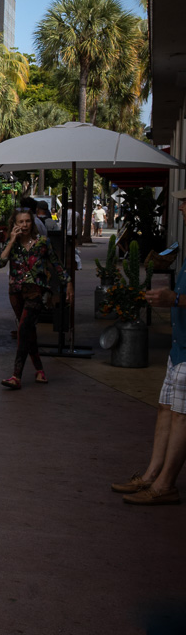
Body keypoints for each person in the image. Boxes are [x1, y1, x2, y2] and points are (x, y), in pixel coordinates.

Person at [111, 189, 186, 505]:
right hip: (179, 348)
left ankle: (165, 484)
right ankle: (151, 474)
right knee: (166, 409)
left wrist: (176, 300)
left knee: (182, 416)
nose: (181, 206)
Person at [0, 208, 70, 390]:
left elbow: (57, 265)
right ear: (15, 224)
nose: (24, 225)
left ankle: (16, 376)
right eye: (21, 222)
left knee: (23, 328)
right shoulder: (12, 244)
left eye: (27, 221)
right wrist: (11, 240)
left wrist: (69, 283)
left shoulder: (43, 243)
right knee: (28, 331)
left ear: (32, 223)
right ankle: (39, 370)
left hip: (36, 292)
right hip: (16, 291)